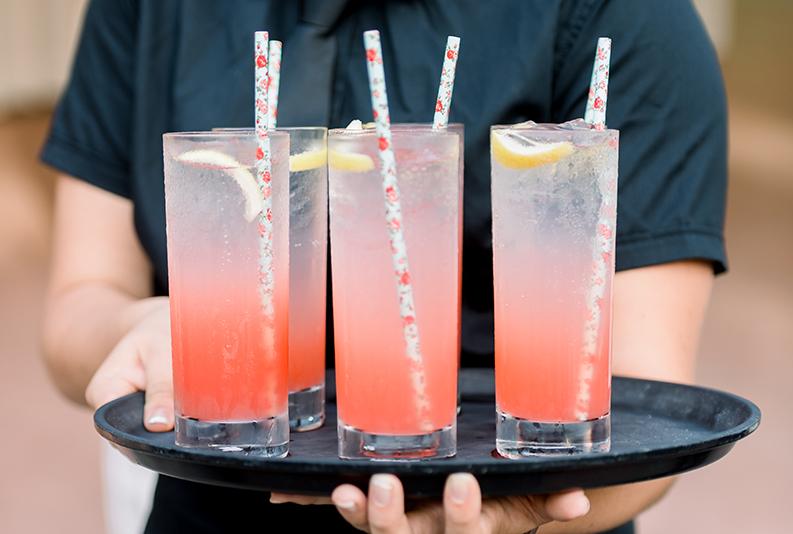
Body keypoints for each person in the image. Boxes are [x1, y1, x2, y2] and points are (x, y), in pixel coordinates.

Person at [40, 0, 727, 532]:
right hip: (212, 511)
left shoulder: (625, 15)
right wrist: (140, 326)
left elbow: (646, 419)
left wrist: (513, 510)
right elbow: (76, 310)